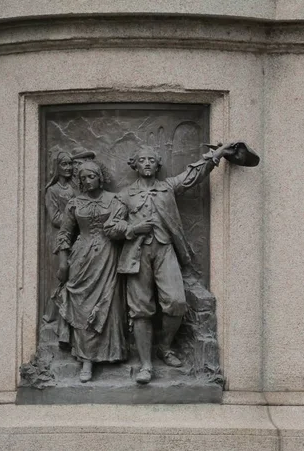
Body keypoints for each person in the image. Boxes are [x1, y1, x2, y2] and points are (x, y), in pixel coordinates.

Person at [104, 142, 237, 384]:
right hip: (136, 255)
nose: (147, 163)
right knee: (141, 309)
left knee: (176, 302)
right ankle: (146, 365)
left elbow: (191, 175)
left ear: (157, 165)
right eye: (142, 160)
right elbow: (110, 228)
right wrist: (133, 228)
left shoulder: (167, 188)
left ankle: (164, 347)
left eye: (151, 160)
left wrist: (216, 155)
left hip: (165, 250)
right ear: (134, 165)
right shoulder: (124, 196)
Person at [55, 161, 127, 382]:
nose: (87, 181)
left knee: (108, 303)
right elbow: (65, 234)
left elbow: (121, 226)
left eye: (91, 176)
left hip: (108, 255)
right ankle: (86, 361)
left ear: (100, 177)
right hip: (81, 258)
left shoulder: (114, 200)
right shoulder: (74, 203)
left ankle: (112, 354)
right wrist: (63, 262)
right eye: (83, 178)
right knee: (84, 308)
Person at [43, 151, 75, 346]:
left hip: (80, 237)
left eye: (70, 164)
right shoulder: (52, 191)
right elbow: (54, 218)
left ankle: (69, 323)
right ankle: (50, 317)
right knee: (62, 278)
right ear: (57, 167)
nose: (68, 168)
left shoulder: (75, 187)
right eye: (64, 164)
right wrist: (74, 219)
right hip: (62, 239)